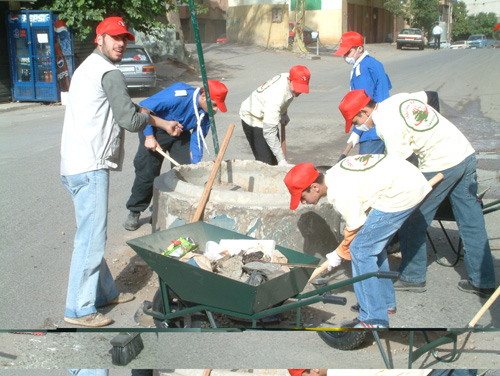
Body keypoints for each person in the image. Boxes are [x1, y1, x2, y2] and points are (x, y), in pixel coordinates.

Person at [60, 16, 183, 327]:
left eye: (124, 38)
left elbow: (126, 108)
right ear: (99, 39)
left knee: (90, 235)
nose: (120, 44)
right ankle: (79, 308)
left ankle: (104, 293)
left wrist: (158, 121)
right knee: (91, 239)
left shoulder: (87, 67)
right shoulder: (108, 72)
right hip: (89, 167)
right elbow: (130, 119)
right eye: (114, 37)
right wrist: (153, 120)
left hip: (74, 164)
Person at [338, 89, 496, 298]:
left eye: (357, 120)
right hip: (464, 152)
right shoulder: (398, 99)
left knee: (412, 218)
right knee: (471, 221)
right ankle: (483, 281)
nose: (360, 125)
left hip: (441, 163)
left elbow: (400, 166)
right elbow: (431, 95)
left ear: (364, 110)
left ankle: (413, 276)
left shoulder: (386, 123)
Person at [284, 156, 432, 328]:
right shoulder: (333, 174)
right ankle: (384, 302)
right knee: (372, 243)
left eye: (303, 197)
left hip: (402, 190)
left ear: (314, 187)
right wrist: (340, 252)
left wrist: (338, 254)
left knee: (361, 250)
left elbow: (355, 228)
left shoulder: (340, 192)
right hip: (405, 180)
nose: (303, 202)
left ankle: (373, 318)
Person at [123, 80, 228, 231]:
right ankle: (135, 210)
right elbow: (143, 109)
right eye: (214, 105)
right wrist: (149, 137)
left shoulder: (205, 113)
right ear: (204, 96)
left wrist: (194, 165)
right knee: (147, 171)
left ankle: (159, 209)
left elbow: (197, 139)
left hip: (180, 133)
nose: (216, 110)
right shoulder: (177, 95)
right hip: (154, 129)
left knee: (183, 172)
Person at [334, 31, 391, 157]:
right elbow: (385, 87)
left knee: (366, 170)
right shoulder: (374, 63)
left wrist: (357, 131)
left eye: (348, 52)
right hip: (381, 124)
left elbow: (362, 104)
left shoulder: (363, 69)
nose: (345, 57)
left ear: (359, 48)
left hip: (371, 130)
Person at [239, 65, 310, 166]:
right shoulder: (275, 97)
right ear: (289, 80)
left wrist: (284, 113)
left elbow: (286, 97)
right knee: (266, 163)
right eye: (296, 88)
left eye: (301, 88)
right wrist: (282, 160)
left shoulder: (288, 77)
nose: (298, 91)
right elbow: (269, 132)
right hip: (252, 117)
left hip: (267, 112)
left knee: (275, 158)